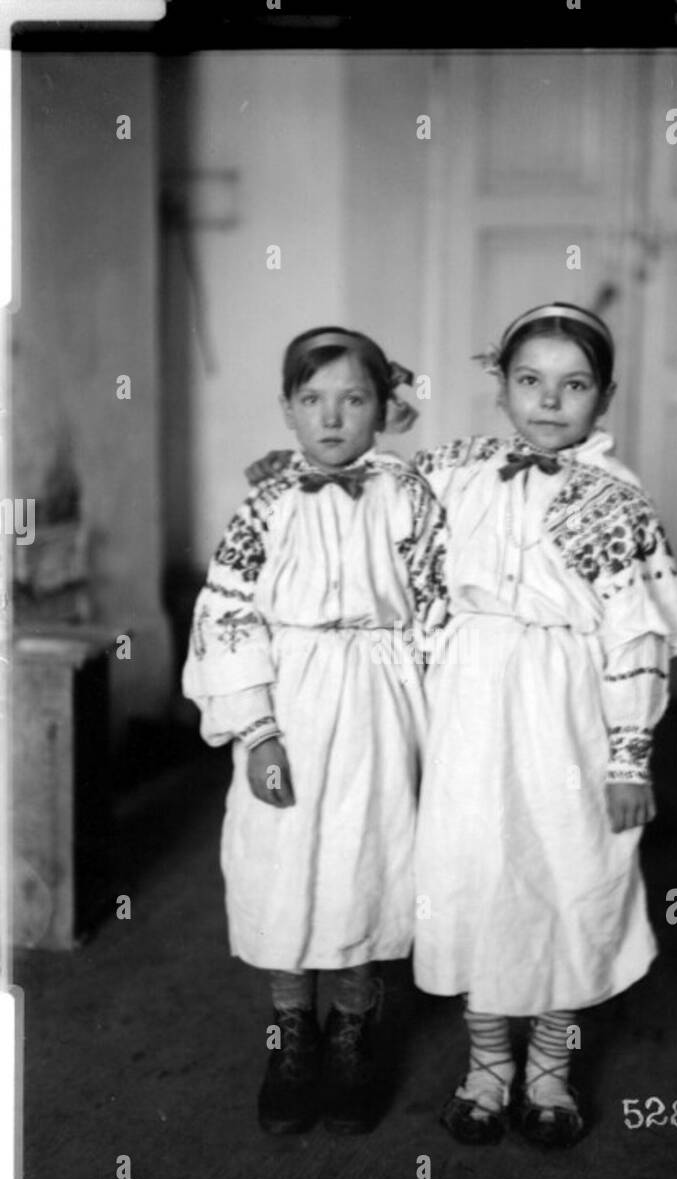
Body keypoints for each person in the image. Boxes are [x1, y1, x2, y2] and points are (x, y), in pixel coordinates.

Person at [411, 302, 677, 1148]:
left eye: (574, 386)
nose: (550, 401)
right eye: (529, 380)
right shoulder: (460, 471)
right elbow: (376, 503)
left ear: (604, 397)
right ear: (500, 387)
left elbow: (637, 629)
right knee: (480, 873)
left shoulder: (615, 500)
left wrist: (629, 754)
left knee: (566, 873)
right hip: (471, 700)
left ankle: (551, 1071)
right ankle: (489, 1064)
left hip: (564, 704)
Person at [183, 326, 446, 1136]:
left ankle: (353, 1032)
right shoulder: (262, 506)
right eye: (312, 400)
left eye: (354, 399)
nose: (332, 418)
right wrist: (258, 732)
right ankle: (293, 1030)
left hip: (380, 697)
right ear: (288, 411)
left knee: (367, 860)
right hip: (291, 701)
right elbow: (226, 617)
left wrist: (445, 721)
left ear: (383, 408)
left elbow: (439, 608)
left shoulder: (411, 495)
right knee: (285, 864)